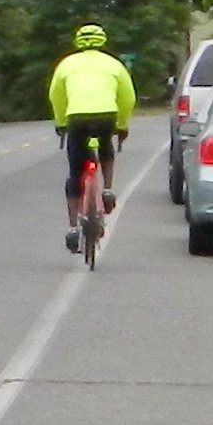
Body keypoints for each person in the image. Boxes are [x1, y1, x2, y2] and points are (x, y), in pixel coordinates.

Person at [46, 23, 136, 253]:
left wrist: (61, 122)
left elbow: (56, 95)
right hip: (106, 115)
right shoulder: (113, 64)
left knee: (76, 171)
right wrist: (122, 125)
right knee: (105, 146)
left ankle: (73, 227)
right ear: (103, 41)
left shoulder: (66, 64)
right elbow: (128, 97)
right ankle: (106, 188)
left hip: (77, 118)